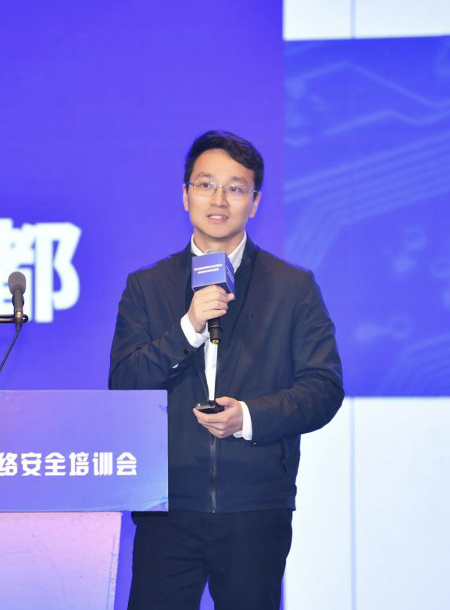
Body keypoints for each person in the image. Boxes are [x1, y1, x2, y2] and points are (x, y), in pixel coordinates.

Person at [109, 130, 344, 610]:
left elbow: (323, 388)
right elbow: (125, 384)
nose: (219, 200)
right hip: (166, 505)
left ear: (254, 202)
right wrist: (189, 327)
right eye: (205, 185)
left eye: (235, 188)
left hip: (255, 506)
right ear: (185, 195)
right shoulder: (146, 286)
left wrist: (248, 417)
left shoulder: (293, 287)